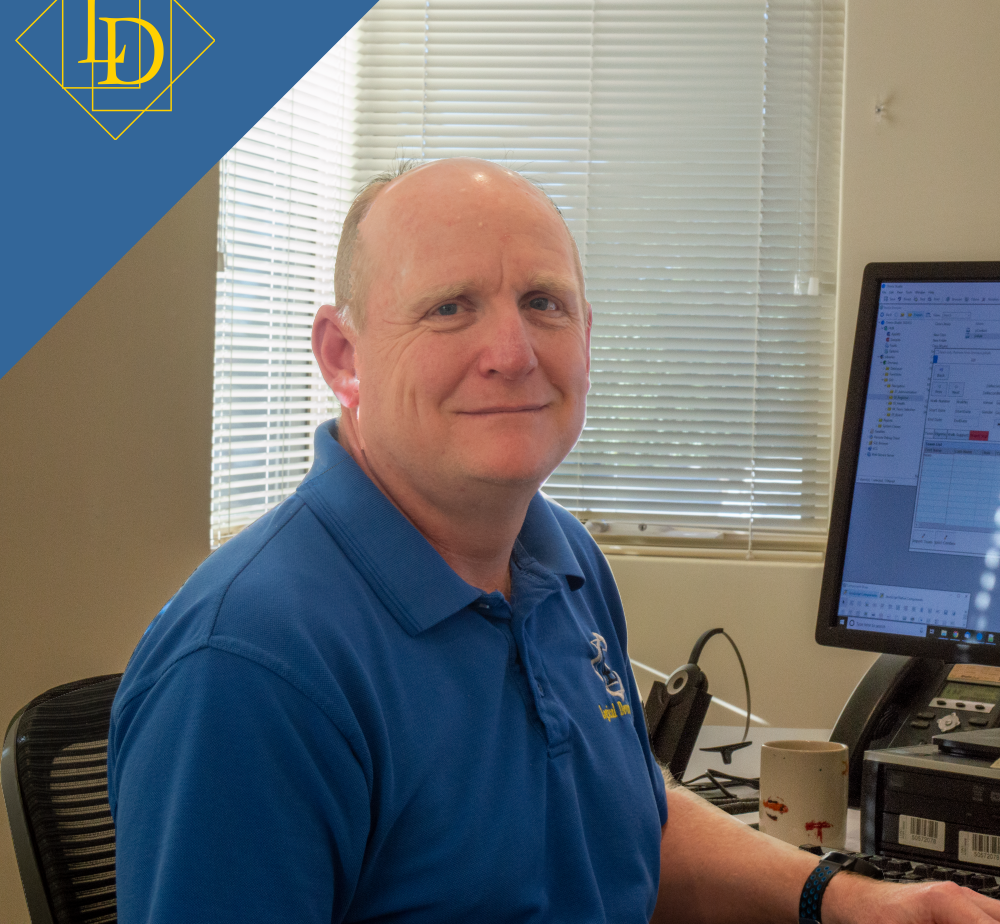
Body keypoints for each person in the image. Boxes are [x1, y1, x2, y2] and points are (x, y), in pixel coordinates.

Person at [109, 158, 1000, 924]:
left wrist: (850, 899)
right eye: (450, 307)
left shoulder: (558, 556)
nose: (512, 349)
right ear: (344, 355)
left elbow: (620, 824)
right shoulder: (250, 667)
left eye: (544, 303)